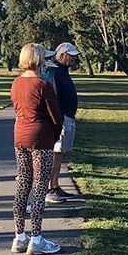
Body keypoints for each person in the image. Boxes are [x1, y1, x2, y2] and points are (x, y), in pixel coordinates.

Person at [9, 43, 63, 255]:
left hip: (19, 135)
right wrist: (56, 135)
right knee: (40, 185)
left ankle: (19, 236)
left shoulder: (15, 83)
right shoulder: (43, 84)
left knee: (23, 183)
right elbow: (56, 117)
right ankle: (36, 238)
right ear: (39, 59)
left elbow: (16, 107)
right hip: (41, 138)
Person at [45, 42, 80, 204]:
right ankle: (51, 189)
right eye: (71, 55)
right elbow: (53, 98)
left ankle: (55, 186)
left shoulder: (62, 71)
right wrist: (57, 121)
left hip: (68, 117)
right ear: (61, 56)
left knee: (60, 153)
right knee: (56, 153)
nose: (74, 58)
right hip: (60, 118)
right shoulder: (54, 72)